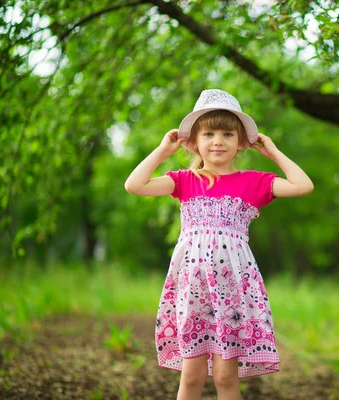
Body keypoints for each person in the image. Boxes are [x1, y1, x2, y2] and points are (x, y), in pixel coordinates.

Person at [124, 89, 314, 400]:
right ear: (194, 141)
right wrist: (162, 151)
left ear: (241, 142)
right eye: (209, 133)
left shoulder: (254, 182)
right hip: (193, 291)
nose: (218, 141)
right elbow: (134, 185)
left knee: (226, 377)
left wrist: (274, 152)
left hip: (231, 294)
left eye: (228, 134)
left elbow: (303, 185)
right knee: (191, 376)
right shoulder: (185, 180)